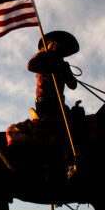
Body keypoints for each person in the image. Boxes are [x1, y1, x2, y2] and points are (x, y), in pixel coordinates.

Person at [28, 30, 80, 179]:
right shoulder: (43, 57)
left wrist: (65, 71)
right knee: (63, 126)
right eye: (60, 45)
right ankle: (68, 163)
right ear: (52, 44)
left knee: (77, 121)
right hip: (45, 102)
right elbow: (31, 66)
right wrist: (52, 65)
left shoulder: (63, 63)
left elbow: (73, 85)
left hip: (59, 103)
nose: (62, 49)